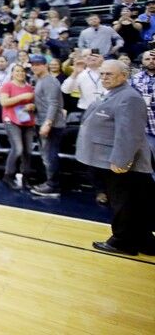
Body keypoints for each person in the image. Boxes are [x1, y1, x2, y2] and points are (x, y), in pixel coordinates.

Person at [76, 61, 155, 255]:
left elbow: (129, 133)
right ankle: (145, 242)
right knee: (136, 202)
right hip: (112, 159)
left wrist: (121, 160)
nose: (104, 77)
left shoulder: (129, 97)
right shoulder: (115, 93)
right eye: (102, 74)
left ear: (124, 76)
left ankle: (122, 242)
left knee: (123, 203)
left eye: (109, 74)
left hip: (122, 162)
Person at [28, 56, 66, 197]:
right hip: (42, 121)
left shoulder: (50, 81)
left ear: (45, 65)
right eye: (33, 64)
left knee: (50, 155)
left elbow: (53, 104)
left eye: (38, 64)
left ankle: (53, 185)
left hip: (51, 124)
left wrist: (48, 123)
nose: (35, 67)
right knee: (46, 155)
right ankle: (50, 183)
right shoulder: (40, 80)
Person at [0, 64, 35, 190]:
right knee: (18, 149)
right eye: (17, 71)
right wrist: (22, 97)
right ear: (12, 73)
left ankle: (26, 177)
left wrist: (32, 106)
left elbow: (33, 103)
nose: (20, 73)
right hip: (11, 120)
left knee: (28, 151)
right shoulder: (7, 85)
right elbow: (4, 102)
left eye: (22, 71)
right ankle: (8, 175)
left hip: (27, 120)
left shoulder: (29, 87)